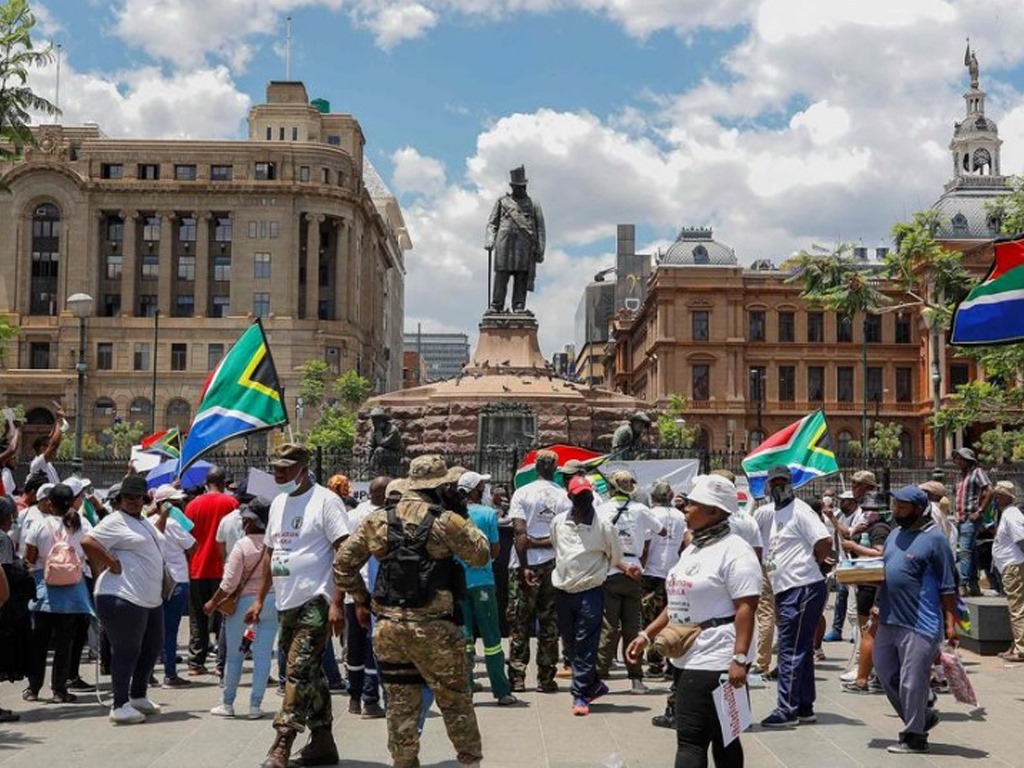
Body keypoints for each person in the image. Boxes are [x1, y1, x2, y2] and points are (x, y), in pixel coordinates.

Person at [334, 454, 490, 768]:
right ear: (437, 485)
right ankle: (470, 761)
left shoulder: (378, 519)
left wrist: (363, 601)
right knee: (456, 699)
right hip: (435, 629)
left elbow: (342, 567)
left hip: (390, 629)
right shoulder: (445, 520)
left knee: (400, 704)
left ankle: (405, 762)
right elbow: (481, 554)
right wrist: (461, 513)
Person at [626, 474, 761, 768]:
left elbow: (746, 607)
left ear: (714, 511)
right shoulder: (693, 548)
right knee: (724, 739)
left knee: (692, 741)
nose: (685, 508)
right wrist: (647, 635)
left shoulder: (736, 550)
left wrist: (739, 657)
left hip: (716, 658)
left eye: (693, 504)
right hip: (688, 654)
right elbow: (676, 601)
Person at [246, 443, 349, 768]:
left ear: (303, 469)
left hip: (316, 600)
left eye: (285, 468)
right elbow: (270, 553)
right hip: (286, 601)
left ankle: (283, 740)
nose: (278, 473)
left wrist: (337, 602)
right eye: (275, 467)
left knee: (297, 669)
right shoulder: (277, 503)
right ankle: (323, 741)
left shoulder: (326, 501)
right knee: (311, 673)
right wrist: (261, 598)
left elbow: (343, 552)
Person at [873, 485, 957, 754]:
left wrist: (950, 623)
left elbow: (948, 585)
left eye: (902, 507)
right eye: (895, 505)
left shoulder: (935, 540)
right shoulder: (894, 534)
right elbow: (887, 572)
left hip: (920, 622)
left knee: (913, 681)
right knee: (886, 674)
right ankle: (923, 716)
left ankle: (914, 737)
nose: (896, 511)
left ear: (919, 509)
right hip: (888, 618)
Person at [80, 474, 165, 724]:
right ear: (119, 499)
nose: (132, 501)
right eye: (127, 497)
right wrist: (112, 562)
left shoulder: (144, 520)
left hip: (149, 598)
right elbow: (87, 541)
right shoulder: (116, 521)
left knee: (152, 648)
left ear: (144, 498)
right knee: (127, 650)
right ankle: (119, 704)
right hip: (122, 595)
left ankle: (138, 695)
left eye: (137, 497)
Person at [757, 466, 831, 728]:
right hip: (787, 588)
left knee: (789, 649)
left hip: (802, 587)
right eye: (773, 482)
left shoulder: (800, 509)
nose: (778, 486)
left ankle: (786, 709)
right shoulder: (773, 513)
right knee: (801, 649)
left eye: (783, 481)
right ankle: (804, 706)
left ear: (791, 484)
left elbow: (824, 540)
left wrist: (813, 563)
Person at [549, 476, 623, 716]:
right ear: (570, 497)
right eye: (578, 495)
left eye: (587, 495)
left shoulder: (604, 524)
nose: (584, 499)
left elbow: (615, 556)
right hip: (563, 590)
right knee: (569, 643)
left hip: (590, 591)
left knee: (586, 642)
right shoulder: (559, 522)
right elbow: (556, 547)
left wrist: (595, 572)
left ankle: (580, 695)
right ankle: (593, 684)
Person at [206, 496, 277, 719]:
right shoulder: (274, 546)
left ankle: (228, 703)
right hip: (270, 602)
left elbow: (229, 583)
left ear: (250, 521)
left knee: (235, 656)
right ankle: (256, 705)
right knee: (263, 656)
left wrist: (213, 602)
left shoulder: (243, 546)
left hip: (243, 605)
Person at [22, 482, 93, 704]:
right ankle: (59, 690)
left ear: (49, 503)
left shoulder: (40, 526)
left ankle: (33, 688)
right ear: (71, 502)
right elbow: (89, 553)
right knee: (64, 645)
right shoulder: (81, 526)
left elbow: (29, 560)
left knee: (40, 644)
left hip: (44, 594)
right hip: (72, 595)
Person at [596, 470, 664, 693]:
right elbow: (661, 531)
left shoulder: (602, 509)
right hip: (634, 571)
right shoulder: (641, 509)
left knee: (608, 626)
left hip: (609, 570)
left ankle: (599, 675)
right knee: (632, 628)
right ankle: (636, 679)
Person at [506, 448, 565, 693]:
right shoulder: (564, 496)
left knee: (519, 622)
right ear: (555, 469)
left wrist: (526, 563)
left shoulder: (522, 493)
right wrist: (544, 543)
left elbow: (519, 533)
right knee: (549, 622)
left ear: (536, 468)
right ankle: (546, 678)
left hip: (523, 563)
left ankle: (518, 678)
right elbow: (563, 534)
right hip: (552, 563)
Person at [455, 470, 517, 706]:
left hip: (458, 584)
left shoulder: (450, 516)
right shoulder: (488, 514)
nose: (485, 490)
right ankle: (501, 690)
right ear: (474, 491)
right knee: (492, 639)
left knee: (464, 638)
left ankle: (467, 687)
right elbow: (495, 550)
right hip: (482, 583)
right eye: (482, 486)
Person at [184, 467, 238, 676]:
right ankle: (221, 661)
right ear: (224, 482)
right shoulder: (231, 503)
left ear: (207, 483)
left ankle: (196, 662)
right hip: (222, 567)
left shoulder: (192, 505)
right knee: (225, 615)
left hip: (197, 567)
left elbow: (187, 536)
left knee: (198, 616)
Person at [343, 476, 387, 719]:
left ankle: (354, 696)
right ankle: (370, 699)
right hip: (373, 590)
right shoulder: (383, 518)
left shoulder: (353, 516)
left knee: (355, 647)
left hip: (352, 589)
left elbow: (342, 554)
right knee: (372, 646)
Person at [839, 492, 891, 694]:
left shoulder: (879, 529)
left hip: (871, 586)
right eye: (867, 509)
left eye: (873, 510)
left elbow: (880, 554)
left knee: (869, 634)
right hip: (865, 584)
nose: (869, 513)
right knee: (869, 633)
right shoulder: (870, 527)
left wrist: (855, 546)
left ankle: (864, 678)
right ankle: (875, 674)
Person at [148, 484, 196, 689]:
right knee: (169, 630)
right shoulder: (174, 525)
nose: (180, 505)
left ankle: (148, 673)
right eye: (176, 502)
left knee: (151, 630)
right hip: (176, 580)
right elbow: (192, 545)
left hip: (153, 580)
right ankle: (170, 674)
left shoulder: (146, 522)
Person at [485, 164, 546, 313]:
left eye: (522, 186)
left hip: (524, 245)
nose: (520, 189)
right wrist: (489, 239)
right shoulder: (502, 202)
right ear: (512, 186)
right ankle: (496, 305)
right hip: (504, 244)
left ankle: (518, 305)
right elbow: (492, 223)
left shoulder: (534, 204)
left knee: (521, 276)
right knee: (501, 275)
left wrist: (540, 248)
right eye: (517, 186)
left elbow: (540, 228)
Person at [641, 479, 686, 677]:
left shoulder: (650, 515)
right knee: (673, 619)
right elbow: (686, 542)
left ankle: (655, 664)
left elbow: (645, 545)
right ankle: (672, 663)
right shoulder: (680, 516)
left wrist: (640, 567)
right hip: (673, 571)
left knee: (651, 621)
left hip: (651, 572)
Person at [990, 481, 1024, 661]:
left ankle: (1021, 649)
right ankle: (1017, 645)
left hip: (1014, 566)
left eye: (999, 495)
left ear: (1007, 497)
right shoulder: (1007, 514)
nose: (995, 498)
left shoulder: (1011, 514)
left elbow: (1022, 539)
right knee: (1016, 607)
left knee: (1017, 608)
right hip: (1010, 566)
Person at [952, 447, 992, 596]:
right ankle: (974, 585)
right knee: (971, 551)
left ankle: (963, 584)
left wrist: (980, 510)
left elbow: (989, 490)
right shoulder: (960, 476)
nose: (957, 461)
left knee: (964, 550)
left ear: (968, 460)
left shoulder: (977, 472)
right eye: (956, 458)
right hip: (961, 517)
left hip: (970, 516)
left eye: (960, 458)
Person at [28, 405, 65, 484]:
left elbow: (51, 437)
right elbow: (54, 444)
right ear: (42, 448)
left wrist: (57, 419)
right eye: (48, 446)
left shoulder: (47, 464)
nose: (54, 451)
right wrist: (58, 420)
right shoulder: (38, 463)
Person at [366, 407, 403, 478]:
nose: (374, 422)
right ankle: (370, 472)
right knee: (373, 451)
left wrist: (378, 433)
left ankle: (375, 474)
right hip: (378, 455)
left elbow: (383, 443)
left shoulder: (392, 429)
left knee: (379, 450)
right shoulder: (374, 429)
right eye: (373, 419)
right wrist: (368, 452)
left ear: (382, 420)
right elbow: (370, 444)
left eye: (376, 419)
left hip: (394, 454)